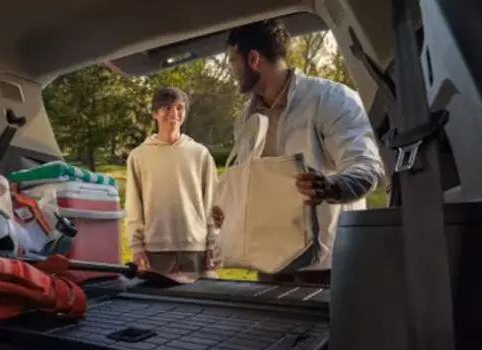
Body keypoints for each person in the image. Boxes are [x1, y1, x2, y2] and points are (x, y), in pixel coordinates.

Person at [212, 19, 385, 285]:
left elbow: (367, 166)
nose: (230, 69)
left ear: (254, 59)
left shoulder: (332, 99)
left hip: (327, 265)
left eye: (232, 60)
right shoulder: (244, 121)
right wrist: (227, 208)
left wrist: (332, 187)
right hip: (269, 264)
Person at [124, 87, 220, 282]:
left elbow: (213, 202)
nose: (174, 114)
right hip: (156, 250)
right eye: (167, 108)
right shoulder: (139, 156)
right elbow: (134, 206)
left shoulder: (200, 154)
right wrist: (137, 247)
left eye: (179, 108)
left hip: (195, 249)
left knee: (200, 300)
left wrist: (213, 244)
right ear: (154, 113)